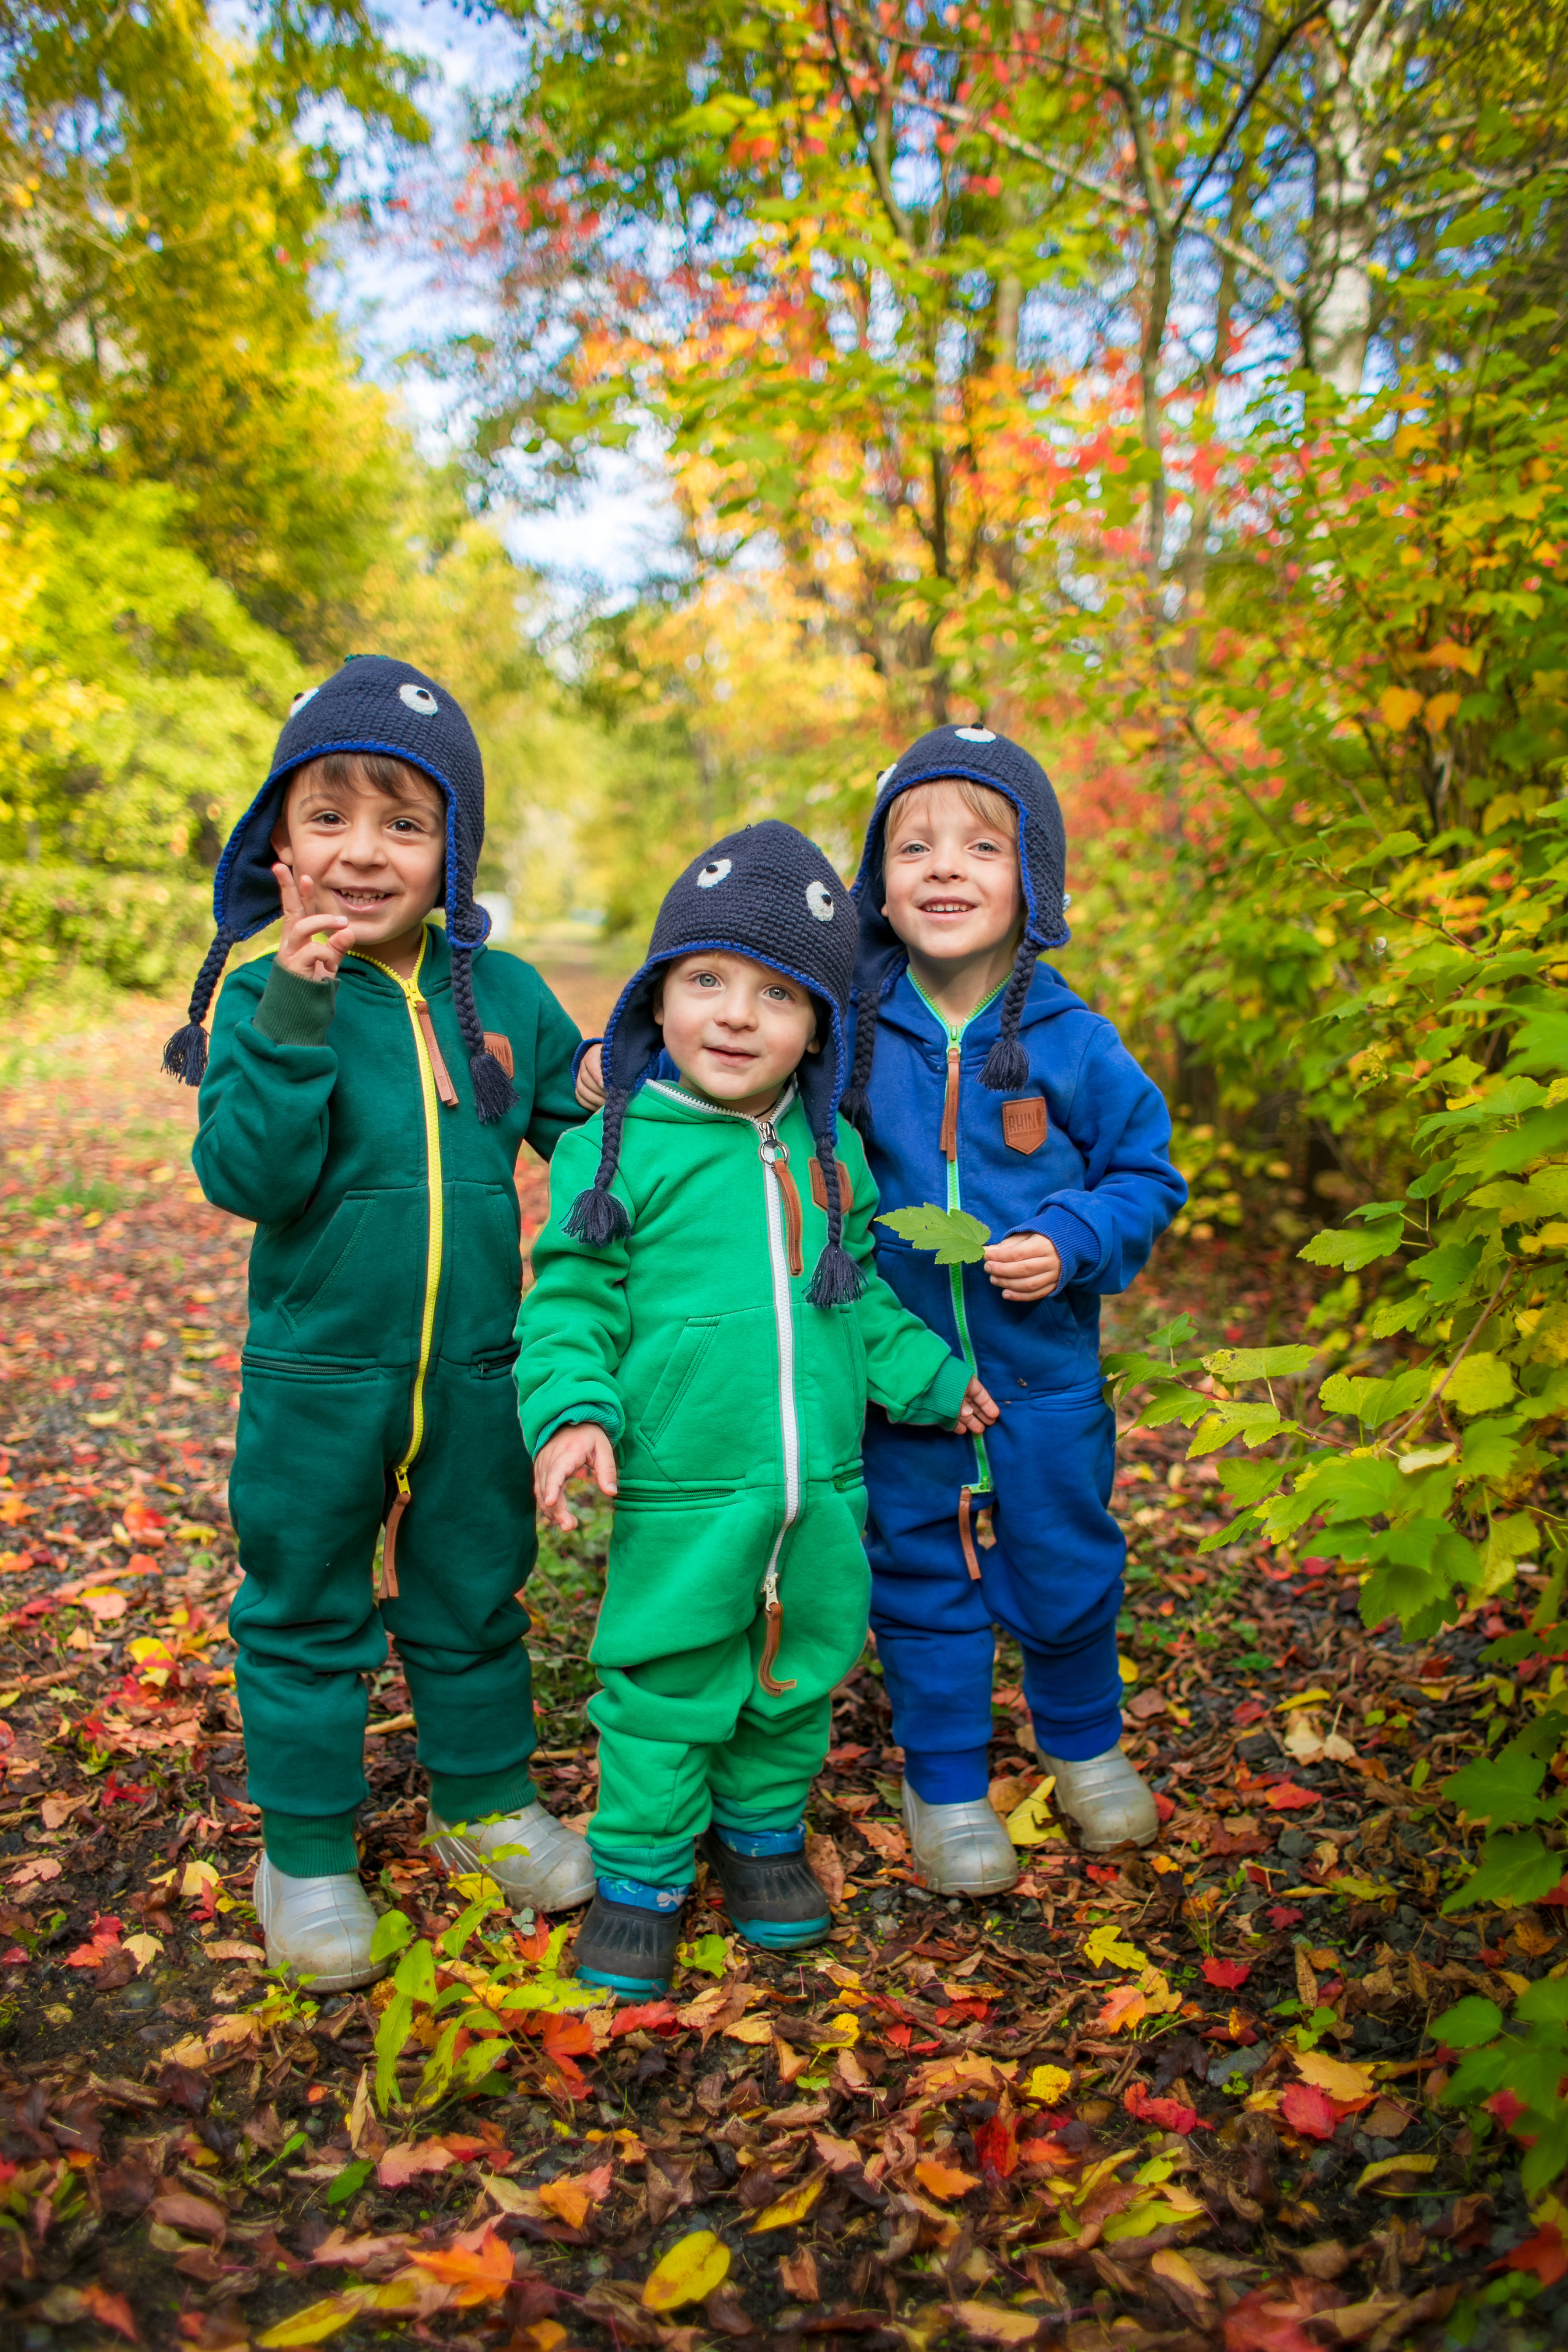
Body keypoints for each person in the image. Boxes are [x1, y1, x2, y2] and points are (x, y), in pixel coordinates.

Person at [168, 654, 595, 1991]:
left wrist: (633, 1116)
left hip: (477, 1371)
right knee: (302, 1606)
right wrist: (295, 1006)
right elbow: (250, 1177)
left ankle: (480, 1808)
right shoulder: (258, 993)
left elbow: (583, 1134)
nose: (364, 852)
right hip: (315, 1377)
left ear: (450, 847)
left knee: (472, 1595)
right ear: (280, 838)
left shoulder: (505, 993)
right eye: (330, 816)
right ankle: (303, 1854)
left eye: (404, 822)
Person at [514, 821, 997, 1995]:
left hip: (818, 1487)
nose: (736, 1014)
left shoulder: (833, 1152)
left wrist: (926, 1376)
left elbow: (857, 1294)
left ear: (820, 1028)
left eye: (777, 995)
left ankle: (764, 1840)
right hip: (684, 1485)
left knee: (797, 1669)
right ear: (658, 1001)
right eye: (706, 981)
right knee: (669, 1683)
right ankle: (639, 1876)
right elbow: (568, 1299)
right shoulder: (618, 1147)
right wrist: (576, 1409)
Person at [840, 725, 1187, 1893]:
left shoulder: (1076, 1042)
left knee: (1067, 1563)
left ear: (1033, 880)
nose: (945, 869)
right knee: (923, 1576)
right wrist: (609, 1060)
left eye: (982, 846)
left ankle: (1085, 1747)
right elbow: (726, 1057)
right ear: (875, 885)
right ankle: (944, 1784)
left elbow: (1146, 1176)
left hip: (1044, 1382)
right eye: (914, 848)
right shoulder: (843, 1035)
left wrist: (1078, 1236)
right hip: (903, 1385)